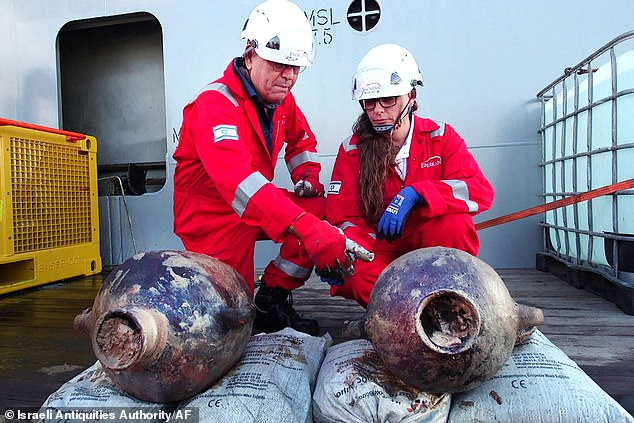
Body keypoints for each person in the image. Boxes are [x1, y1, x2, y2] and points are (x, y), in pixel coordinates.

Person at [173, 0, 365, 336]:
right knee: (231, 317)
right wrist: (306, 228)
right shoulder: (213, 106)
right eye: (278, 65)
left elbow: (302, 139)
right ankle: (247, 308)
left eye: (296, 68)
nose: (289, 76)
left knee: (321, 208)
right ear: (250, 56)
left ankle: (273, 296)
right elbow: (239, 184)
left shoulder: (280, 98)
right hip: (212, 218)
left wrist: (307, 178)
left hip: (255, 202)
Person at [322, 43, 495, 308]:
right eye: (369, 102)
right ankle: (418, 313)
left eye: (388, 99)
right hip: (379, 249)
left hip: (429, 245)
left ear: (411, 97)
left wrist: (417, 194)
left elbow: (479, 191)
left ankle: (440, 301)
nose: (378, 109)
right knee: (354, 272)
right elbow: (342, 217)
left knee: (456, 224)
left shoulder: (441, 137)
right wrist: (354, 249)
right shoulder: (352, 149)